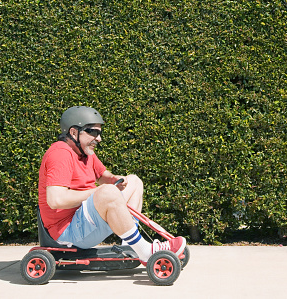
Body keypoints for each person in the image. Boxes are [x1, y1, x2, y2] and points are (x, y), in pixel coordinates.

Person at [38, 106, 186, 264]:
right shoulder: (60, 154)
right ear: (74, 132)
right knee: (107, 192)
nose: (99, 138)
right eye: (93, 132)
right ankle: (144, 250)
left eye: (100, 133)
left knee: (134, 181)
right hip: (66, 232)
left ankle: (131, 244)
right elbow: (56, 200)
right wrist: (100, 191)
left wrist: (114, 178)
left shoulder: (85, 152)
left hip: (83, 220)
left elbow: (102, 175)